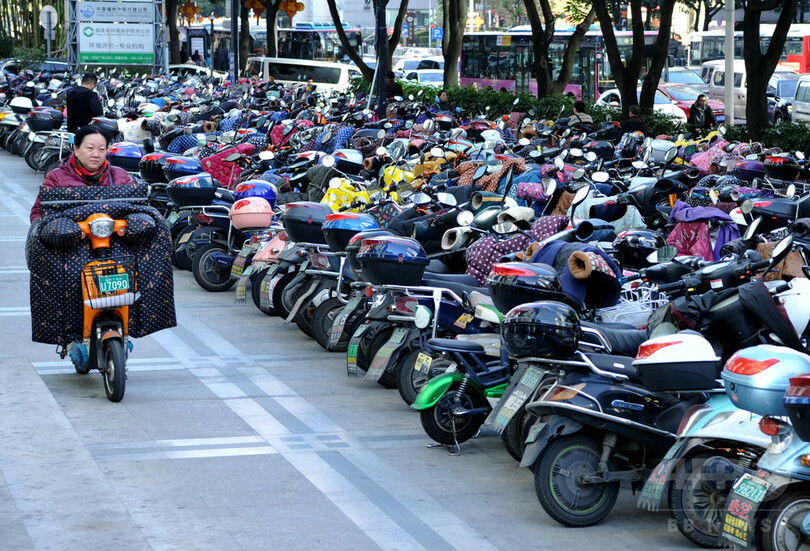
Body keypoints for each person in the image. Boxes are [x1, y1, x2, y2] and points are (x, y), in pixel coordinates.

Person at [30, 126, 134, 222]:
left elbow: (134, 208)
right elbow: (38, 212)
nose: (96, 154)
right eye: (90, 148)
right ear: (76, 149)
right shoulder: (56, 177)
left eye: (101, 149)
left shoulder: (120, 175)